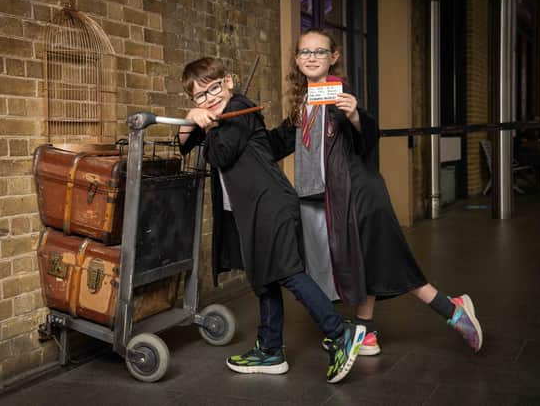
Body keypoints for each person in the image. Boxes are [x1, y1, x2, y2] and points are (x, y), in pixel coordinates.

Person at [267, 28, 483, 356]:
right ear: (297, 60)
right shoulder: (301, 107)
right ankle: (367, 331)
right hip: (336, 200)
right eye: (305, 52)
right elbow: (274, 144)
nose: (312, 57)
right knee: (365, 261)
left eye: (320, 52)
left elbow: (368, 136)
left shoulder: (340, 97)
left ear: (333, 58)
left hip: (362, 194)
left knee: (389, 261)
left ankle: (452, 310)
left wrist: (354, 116)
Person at [177, 57, 365, 383]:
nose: (210, 98)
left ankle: (340, 333)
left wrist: (205, 122)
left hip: (271, 206)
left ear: (229, 82)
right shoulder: (217, 117)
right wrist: (191, 117)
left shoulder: (239, 107)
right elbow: (183, 144)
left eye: (214, 89)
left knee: (288, 273)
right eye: (200, 96)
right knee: (264, 279)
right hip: (253, 211)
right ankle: (270, 349)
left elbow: (219, 153)